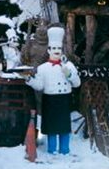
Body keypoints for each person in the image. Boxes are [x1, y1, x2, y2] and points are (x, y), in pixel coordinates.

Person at [26, 26, 80, 155]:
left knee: (64, 127)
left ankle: (65, 150)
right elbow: (39, 86)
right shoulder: (42, 68)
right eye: (54, 48)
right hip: (50, 100)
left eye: (59, 49)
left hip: (64, 99)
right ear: (49, 50)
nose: (56, 51)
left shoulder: (68, 65)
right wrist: (29, 80)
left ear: (62, 50)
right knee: (51, 127)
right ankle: (51, 150)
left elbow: (77, 84)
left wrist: (69, 74)